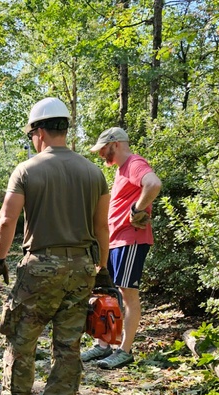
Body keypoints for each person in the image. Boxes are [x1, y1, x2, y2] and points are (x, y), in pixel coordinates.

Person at [0, 97, 111, 395]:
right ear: (64, 129)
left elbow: (7, 219)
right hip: (82, 267)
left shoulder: (27, 170)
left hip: (41, 266)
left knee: (22, 337)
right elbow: (102, 226)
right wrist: (103, 267)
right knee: (68, 344)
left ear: (38, 131)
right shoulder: (93, 171)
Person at [82, 127, 162, 370]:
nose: (101, 155)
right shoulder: (121, 169)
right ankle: (103, 344)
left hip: (131, 239)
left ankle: (124, 351)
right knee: (110, 292)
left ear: (115, 144)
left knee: (128, 294)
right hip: (116, 240)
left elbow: (153, 183)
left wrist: (138, 210)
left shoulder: (134, 163)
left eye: (103, 149)